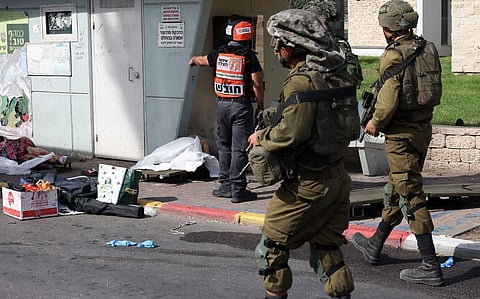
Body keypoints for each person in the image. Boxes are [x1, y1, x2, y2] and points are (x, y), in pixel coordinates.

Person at [247, 9, 356, 299]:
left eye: (279, 43)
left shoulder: (301, 81)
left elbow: (291, 133)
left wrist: (261, 137)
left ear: (293, 46)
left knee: (270, 249)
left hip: (307, 184)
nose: (276, 50)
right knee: (327, 250)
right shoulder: (337, 73)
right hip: (337, 179)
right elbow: (315, 113)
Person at [351, 0, 444, 286]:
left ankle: (430, 266)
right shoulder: (428, 48)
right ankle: (375, 246)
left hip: (400, 136)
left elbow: (388, 100)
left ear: (390, 29)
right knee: (397, 187)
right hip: (421, 130)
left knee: (411, 193)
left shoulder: (392, 56)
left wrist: (374, 123)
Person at [189, 18, 264, 203]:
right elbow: (257, 85)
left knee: (224, 147)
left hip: (222, 105)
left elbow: (202, 60)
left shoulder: (220, 53)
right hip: (241, 106)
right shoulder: (249, 56)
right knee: (239, 149)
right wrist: (261, 106)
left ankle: (225, 186)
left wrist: (192, 60)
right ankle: (238, 189)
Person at [0, 135, 66, 164]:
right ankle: (53, 158)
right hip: (13, 154)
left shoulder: (2, 140)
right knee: (30, 156)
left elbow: (6, 139)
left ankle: (56, 157)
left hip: (16, 145)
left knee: (30, 150)